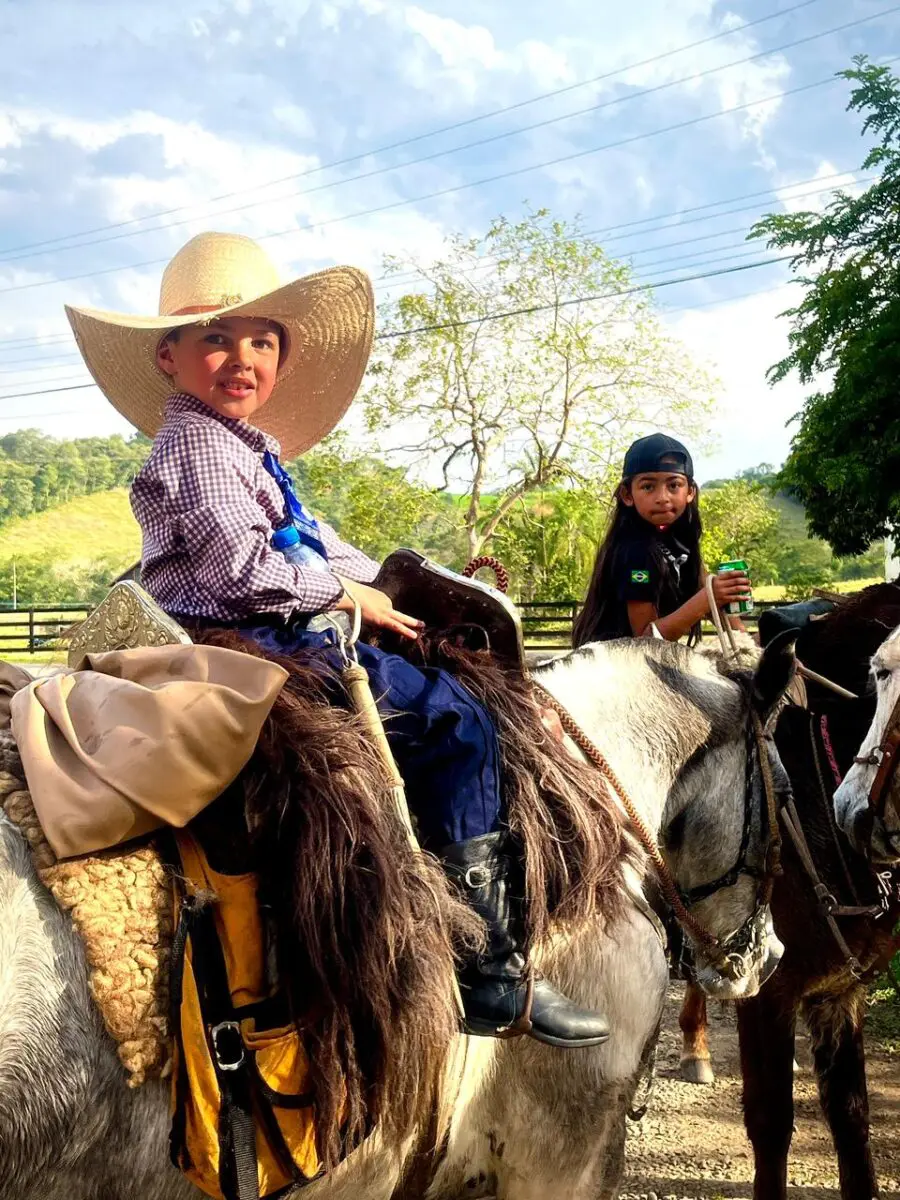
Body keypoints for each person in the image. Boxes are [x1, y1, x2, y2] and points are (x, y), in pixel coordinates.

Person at [65, 231, 609, 1049]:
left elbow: (315, 542)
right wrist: (348, 593)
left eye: (260, 341)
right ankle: (489, 969)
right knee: (453, 720)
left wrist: (399, 582)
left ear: (279, 360)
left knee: (432, 663)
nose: (240, 357)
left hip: (265, 621)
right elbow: (243, 569)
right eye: (214, 338)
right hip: (243, 635)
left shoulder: (246, 448)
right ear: (170, 358)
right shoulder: (198, 446)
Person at [573, 433, 750, 647]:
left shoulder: (683, 545)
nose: (662, 497)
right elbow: (645, 639)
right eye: (648, 486)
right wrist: (708, 598)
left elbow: (708, 594)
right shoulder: (634, 553)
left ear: (690, 492)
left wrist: (752, 646)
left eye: (674, 485)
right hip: (610, 662)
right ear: (627, 495)